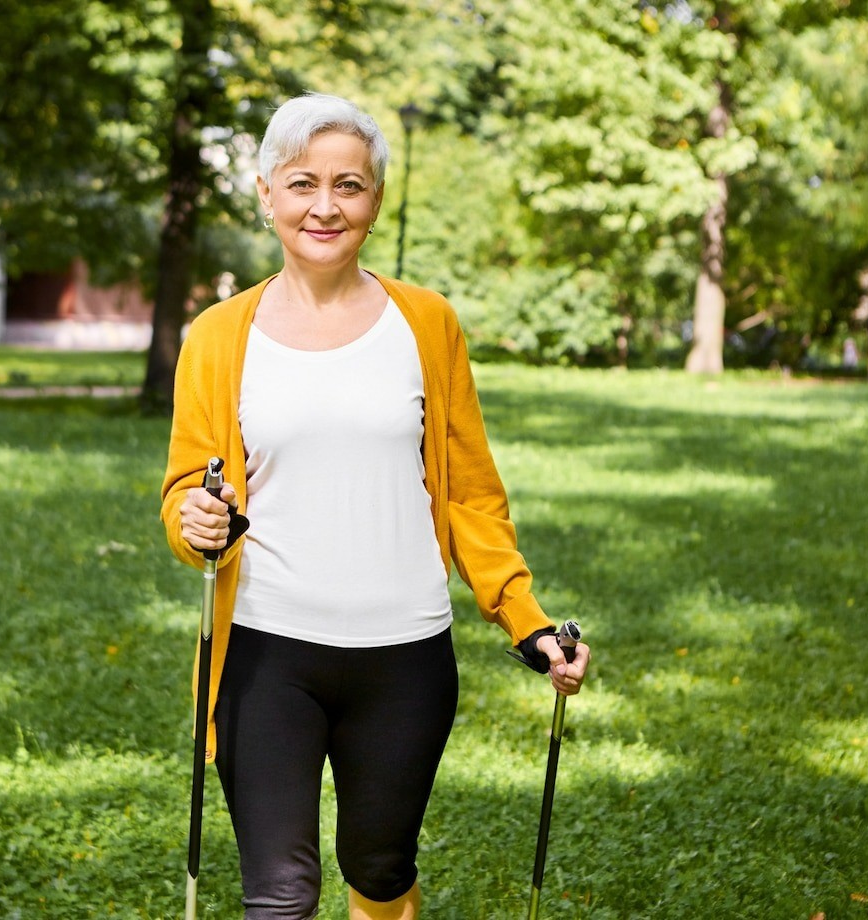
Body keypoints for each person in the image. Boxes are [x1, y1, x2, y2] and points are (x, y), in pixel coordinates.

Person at [160, 93, 590, 920]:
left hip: (403, 656)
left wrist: (528, 620)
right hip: (263, 651)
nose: (325, 206)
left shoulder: (425, 324)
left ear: (376, 199)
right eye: (302, 183)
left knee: (380, 868)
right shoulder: (217, 335)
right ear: (265, 193)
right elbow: (189, 486)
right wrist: (194, 523)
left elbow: (469, 494)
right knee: (278, 897)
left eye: (349, 185)